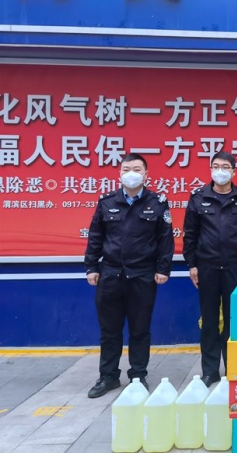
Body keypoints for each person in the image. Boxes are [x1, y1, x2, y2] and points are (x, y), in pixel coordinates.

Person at [84, 153, 174, 398]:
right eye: (126, 169)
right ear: (119, 173)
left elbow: (165, 239)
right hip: (110, 274)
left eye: (136, 169)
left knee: (140, 329)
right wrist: (91, 267)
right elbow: (95, 236)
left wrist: (163, 269)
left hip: (142, 275)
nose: (131, 174)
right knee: (109, 330)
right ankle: (108, 376)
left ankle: (138, 375)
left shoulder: (157, 202)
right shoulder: (106, 202)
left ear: (146, 174)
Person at [183, 151, 237, 387]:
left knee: (233, 320)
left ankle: (233, 367)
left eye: (225, 167)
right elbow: (190, 234)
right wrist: (192, 264)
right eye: (216, 166)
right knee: (209, 320)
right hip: (206, 266)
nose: (220, 171)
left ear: (234, 171)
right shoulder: (198, 197)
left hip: (235, 267)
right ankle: (210, 371)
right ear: (210, 170)